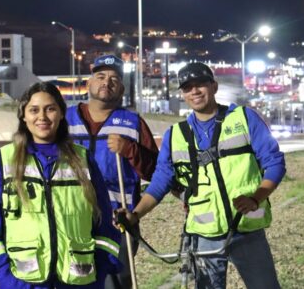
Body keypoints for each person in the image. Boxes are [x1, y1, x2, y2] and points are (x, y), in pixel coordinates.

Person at [119, 62, 285, 288]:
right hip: (204, 234)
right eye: (188, 88)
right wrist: (134, 215)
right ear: (183, 95)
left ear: (214, 87)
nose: (195, 91)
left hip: (247, 228)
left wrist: (256, 198)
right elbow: (160, 182)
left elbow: (274, 162)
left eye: (200, 85)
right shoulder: (175, 134)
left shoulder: (244, 118)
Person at [0, 82, 122, 288]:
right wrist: (7, 278)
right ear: (23, 116)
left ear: (62, 114)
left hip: (79, 282)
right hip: (24, 283)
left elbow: (104, 223)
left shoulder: (83, 160)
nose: (42, 117)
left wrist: (100, 270)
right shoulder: (4, 161)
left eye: (50, 109)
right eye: (34, 110)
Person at [64, 54, 159, 288]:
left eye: (114, 78)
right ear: (89, 84)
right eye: (101, 76)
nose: (107, 82)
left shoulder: (133, 123)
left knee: (114, 283)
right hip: (71, 217)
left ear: (122, 89)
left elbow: (155, 171)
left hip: (118, 221)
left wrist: (130, 150)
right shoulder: (63, 120)